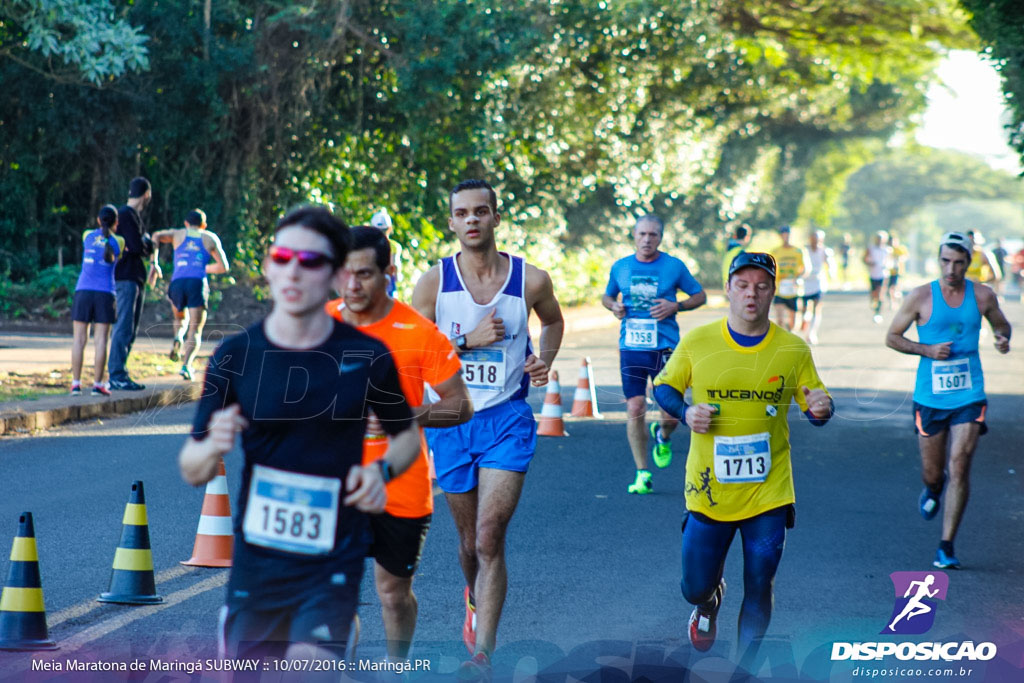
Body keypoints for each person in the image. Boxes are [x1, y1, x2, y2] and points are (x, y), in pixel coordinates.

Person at [178, 206, 421, 667]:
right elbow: (192, 467)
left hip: (332, 558)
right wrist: (213, 445)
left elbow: (406, 436)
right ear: (268, 265)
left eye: (309, 261)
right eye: (283, 256)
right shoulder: (237, 354)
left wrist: (381, 472)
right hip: (258, 563)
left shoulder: (366, 355)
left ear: (333, 274)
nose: (293, 270)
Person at [411, 179, 564, 678]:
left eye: (481, 211)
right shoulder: (433, 282)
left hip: (507, 421)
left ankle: (484, 653)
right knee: (466, 543)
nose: (472, 219)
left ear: (497, 218)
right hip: (451, 422)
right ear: (452, 222)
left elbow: (553, 321)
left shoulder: (531, 280)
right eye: (462, 213)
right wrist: (467, 340)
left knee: (489, 536)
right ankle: (472, 595)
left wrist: (543, 360)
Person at [652, 251, 834, 660]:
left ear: (773, 293)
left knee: (760, 581)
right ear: (729, 290)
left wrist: (822, 408)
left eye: (762, 287)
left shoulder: (792, 350)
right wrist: (684, 412)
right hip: (710, 489)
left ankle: (745, 668)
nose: (752, 294)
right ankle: (709, 601)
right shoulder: (699, 341)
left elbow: (815, 406)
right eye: (743, 285)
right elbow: (663, 387)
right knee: (693, 586)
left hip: (768, 493)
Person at [326, 227, 473, 661]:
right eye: (345, 274)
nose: (353, 285)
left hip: (401, 486)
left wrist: (410, 416)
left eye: (365, 274)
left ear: (389, 272)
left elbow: (460, 406)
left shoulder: (419, 332)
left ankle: (396, 667)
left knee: (392, 594)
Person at [885, 232, 1011, 569]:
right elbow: (892, 337)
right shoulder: (920, 296)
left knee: (960, 464)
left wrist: (1002, 339)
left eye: (958, 262)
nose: (951, 268)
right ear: (938, 260)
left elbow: (1003, 325)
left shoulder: (983, 295)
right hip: (930, 397)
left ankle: (946, 545)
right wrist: (926, 349)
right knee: (933, 472)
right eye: (945, 261)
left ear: (969, 263)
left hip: (970, 393)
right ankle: (932, 488)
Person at [602, 214, 706, 494]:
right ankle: (642, 473)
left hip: (666, 347)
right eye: (642, 234)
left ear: (660, 237)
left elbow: (700, 295)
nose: (647, 239)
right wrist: (614, 307)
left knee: (671, 413)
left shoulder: (674, 266)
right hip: (632, 347)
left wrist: (676, 307)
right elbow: (607, 296)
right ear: (634, 235)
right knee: (634, 407)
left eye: (653, 235)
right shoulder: (621, 267)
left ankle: (663, 434)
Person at [151, 209, 230, 381]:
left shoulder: (177, 234)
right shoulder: (209, 238)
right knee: (195, 328)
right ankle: (186, 366)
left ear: (186, 223)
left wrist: (154, 262)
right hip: (197, 283)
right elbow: (224, 266)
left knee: (179, 319)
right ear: (204, 225)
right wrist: (204, 268)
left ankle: (178, 336)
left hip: (177, 283)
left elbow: (156, 235)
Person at [108, 177, 157, 391]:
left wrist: (144, 245)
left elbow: (141, 246)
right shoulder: (126, 215)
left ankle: (120, 372)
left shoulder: (130, 215)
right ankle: (117, 374)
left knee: (130, 328)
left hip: (133, 277)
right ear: (146, 194)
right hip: (125, 277)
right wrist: (145, 244)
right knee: (124, 326)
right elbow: (138, 246)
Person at [70, 205, 125, 396]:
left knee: (79, 340)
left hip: (83, 291)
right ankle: (97, 385)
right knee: (101, 341)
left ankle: (76, 384)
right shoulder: (119, 241)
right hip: (105, 294)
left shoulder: (87, 236)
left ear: (98, 220)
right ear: (116, 222)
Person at [770, 225, 806, 332]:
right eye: (783, 235)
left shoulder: (798, 251)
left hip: (793, 290)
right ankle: (783, 341)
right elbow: (770, 267)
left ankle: (789, 334)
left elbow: (804, 268)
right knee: (780, 320)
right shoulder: (775, 251)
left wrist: (798, 277)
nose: (785, 237)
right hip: (779, 289)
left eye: (787, 235)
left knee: (793, 324)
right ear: (780, 236)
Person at [799, 230, 832, 345]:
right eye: (813, 239)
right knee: (804, 309)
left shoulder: (825, 251)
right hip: (805, 284)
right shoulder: (804, 250)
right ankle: (805, 325)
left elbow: (829, 264)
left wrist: (831, 271)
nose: (815, 242)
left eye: (817, 240)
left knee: (816, 308)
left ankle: (812, 333)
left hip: (819, 282)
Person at [370, 208, 403, 298]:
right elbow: (394, 264)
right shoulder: (394, 246)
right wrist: (397, 276)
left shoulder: (368, 245)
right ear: (389, 229)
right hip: (388, 281)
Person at [864, 230, 890, 324]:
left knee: (880, 295)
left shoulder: (887, 250)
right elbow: (864, 259)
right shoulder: (871, 248)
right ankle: (874, 306)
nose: (879, 241)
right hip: (873, 274)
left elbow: (890, 261)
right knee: (873, 295)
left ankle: (878, 314)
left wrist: (887, 266)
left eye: (881, 239)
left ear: (884, 240)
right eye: (878, 239)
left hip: (883, 275)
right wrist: (869, 263)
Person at [721, 224, 751, 289]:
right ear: (747, 237)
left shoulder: (729, 251)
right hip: (737, 289)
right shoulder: (741, 253)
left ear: (735, 236)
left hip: (728, 287)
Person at [886, 234, 908, 310]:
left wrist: (899, 258)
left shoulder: (900, 249)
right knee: (890, 289)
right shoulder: (887, 249)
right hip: (888, 272)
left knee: (893, 287)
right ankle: (893, 301)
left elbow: (904, 257)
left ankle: (896, 298)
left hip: (898, 271)